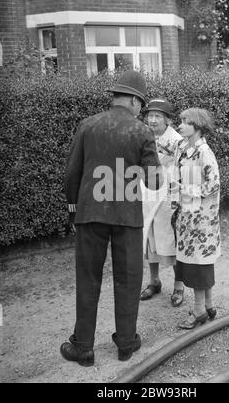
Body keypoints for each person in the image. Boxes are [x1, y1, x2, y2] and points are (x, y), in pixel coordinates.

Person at [60, 70, 163, 366]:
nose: (141, 110)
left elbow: (71, 175)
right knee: (129, 279)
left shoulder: (87, 125)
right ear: (133, 100)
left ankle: (83, 347)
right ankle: (126, 344)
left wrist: (73, 211)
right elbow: (155, 182)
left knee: (88, 279)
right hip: (127, 216)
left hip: (90, 213)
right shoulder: (142, 131)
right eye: (141, 104)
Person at [171, 107, 220, 329]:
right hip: (185, 217)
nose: (180, 125)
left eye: (185, 122)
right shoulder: (182, 147)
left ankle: (199, 310)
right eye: (180, 121)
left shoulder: (204, 152)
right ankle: (208, 306)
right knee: (191, 263)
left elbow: (213, 185)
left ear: (197, 127)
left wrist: (185, 189)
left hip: (201, 221)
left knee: (199, 265)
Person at [140, 98, 185, 307]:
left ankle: (178, 285)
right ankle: (154, 281)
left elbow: (182, 170)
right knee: (149, 236)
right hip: (146, 193)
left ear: (167, 119)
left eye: (158, 116)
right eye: (150, 115)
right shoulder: (143, 135)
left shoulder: (177, 140)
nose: (153, 119)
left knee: (170, 239)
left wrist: (178, 198)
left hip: (168, 197)